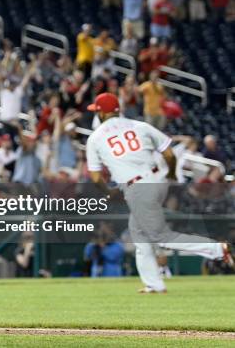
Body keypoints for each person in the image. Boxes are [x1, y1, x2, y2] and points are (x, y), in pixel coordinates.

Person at [85, 93, 233, 293]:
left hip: (137, 187)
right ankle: (154, 284)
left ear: (102, 112)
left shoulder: (95, 137)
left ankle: (216, 249)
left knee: (161, 237)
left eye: (98, 111)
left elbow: (95, 177)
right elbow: (169, 154)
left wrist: (109, 191)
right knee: (139, 234)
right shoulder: (139, 125)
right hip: (156, 179)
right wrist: (171, 174)